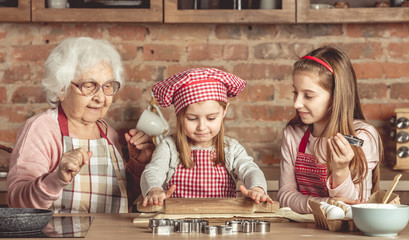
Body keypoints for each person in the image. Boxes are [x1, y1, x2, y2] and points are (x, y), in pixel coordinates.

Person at [7, 37, 154, 213]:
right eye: (89, 86)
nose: (100, 97)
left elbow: (123, 200)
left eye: (107, 86)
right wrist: (57, 179)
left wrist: (138, 165)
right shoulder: (41, 129)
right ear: (61, 89)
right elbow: (17, 202)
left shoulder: (108, 133)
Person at [140, 68, 273, 206]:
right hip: (179, 222)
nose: (201, 127)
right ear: (179, 116)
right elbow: (154, 170)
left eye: (211, 118)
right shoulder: (169, 146)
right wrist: (154, 189)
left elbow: (250, 170)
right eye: (192, 118)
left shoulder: (231, 148)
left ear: (224, 111)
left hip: (222, 222)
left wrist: (257, 187)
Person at [277, 46, 383, 214]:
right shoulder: (293, 135)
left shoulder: (361, 136)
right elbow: (285, 197)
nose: (296, 104)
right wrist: (326, 203)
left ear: (336, 97)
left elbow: (354, 206)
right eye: (295, 92)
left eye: (309, 96)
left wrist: (341, 171)